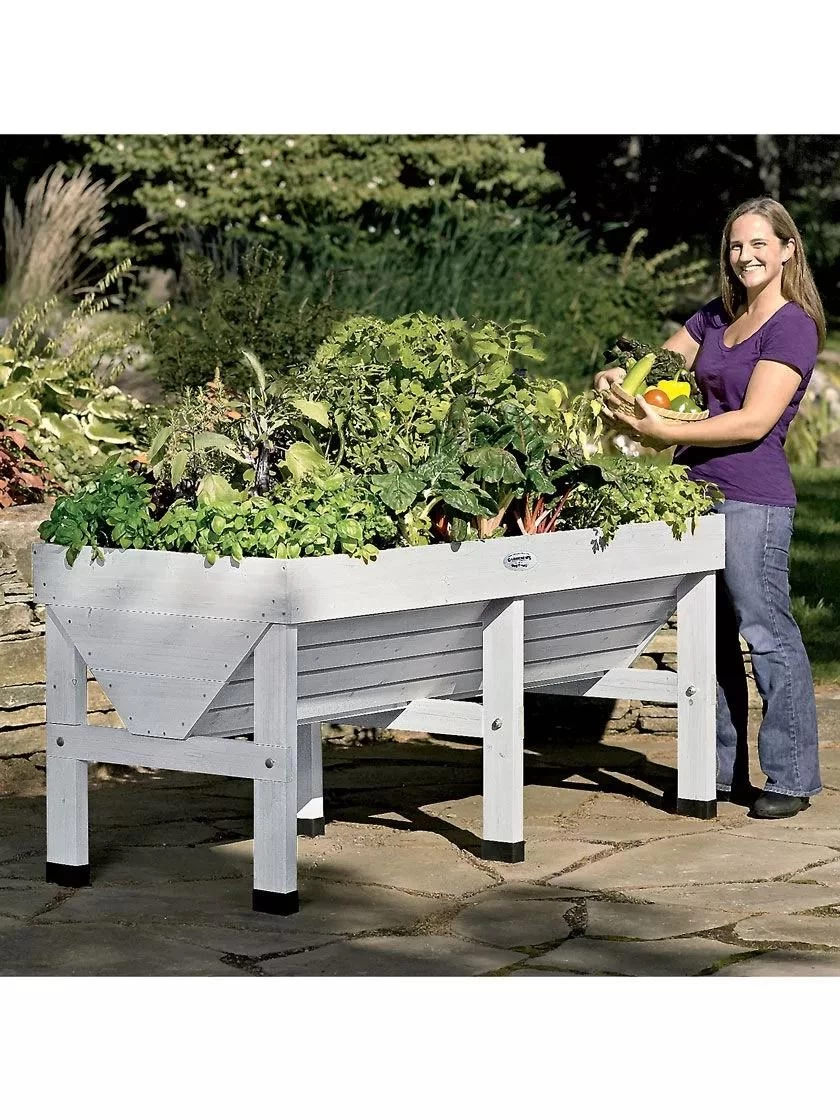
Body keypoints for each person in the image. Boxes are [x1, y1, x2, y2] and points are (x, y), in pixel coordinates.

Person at [595, 197, 824, 820]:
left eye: (759, 244)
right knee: (709, 638)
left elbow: (753, 420)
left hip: (752, 498)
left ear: (787, 250)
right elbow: (657, 367)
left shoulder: (792, 326)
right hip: (693, 495)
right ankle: (717, 771)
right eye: (736, 245)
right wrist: (617, 376)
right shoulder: (714, 317)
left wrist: (668, 430)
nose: (746, 256)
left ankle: (792, 776)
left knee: (765, 632)